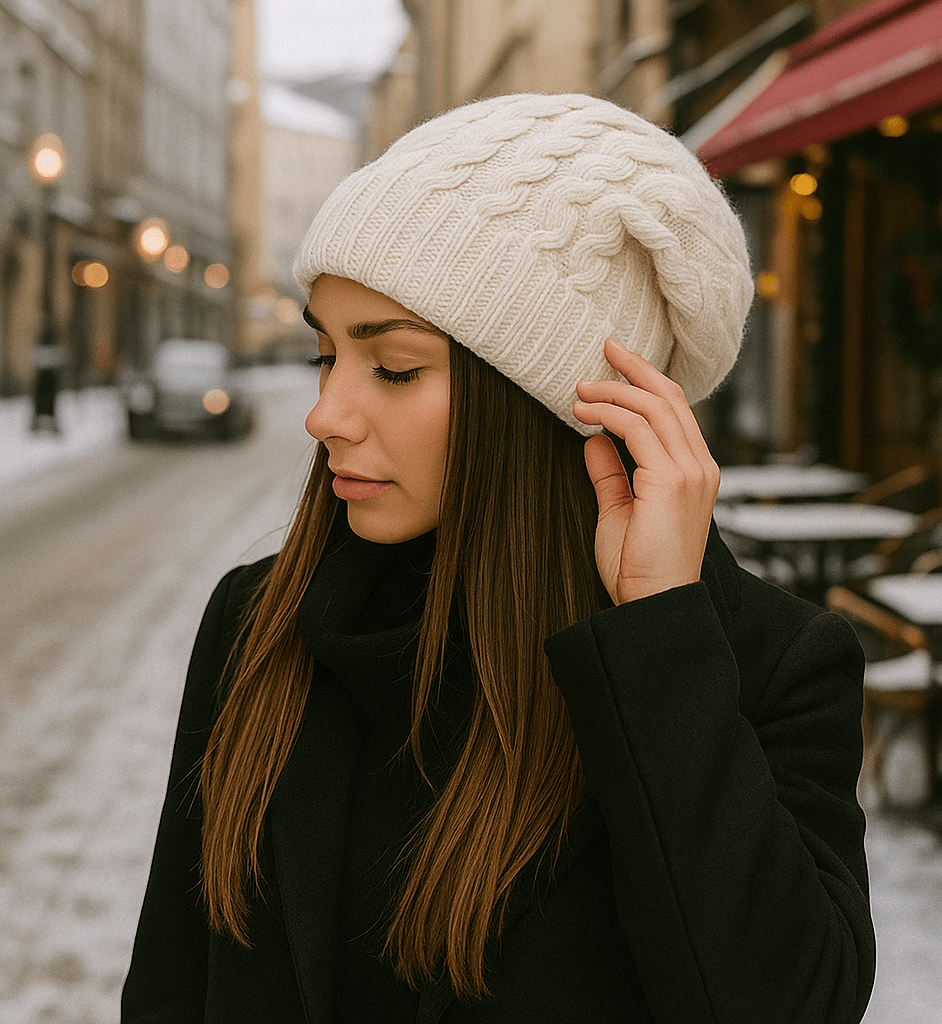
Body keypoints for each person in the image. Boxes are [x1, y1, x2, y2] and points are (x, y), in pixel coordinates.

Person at [122, 93, 875, 1023]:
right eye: (326, 356)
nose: (325, 416)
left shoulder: (763, 666)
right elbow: (168, 990)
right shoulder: (260, 624)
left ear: (547, 401)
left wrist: (658, 635)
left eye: (394, 367)